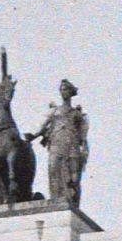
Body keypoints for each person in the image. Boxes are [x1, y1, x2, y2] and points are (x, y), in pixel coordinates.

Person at [31, 79, 90, 207]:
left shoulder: (76, 113)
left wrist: (83, 148)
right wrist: (34, 135)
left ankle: (73, 201)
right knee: (53, 170)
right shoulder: (55, 110)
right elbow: (43, 125)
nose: (63, 92)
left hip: (72, 145)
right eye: (61, 90)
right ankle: (56, 199)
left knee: (74, 177)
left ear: (71, 92)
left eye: (65, 89)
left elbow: (83, 133)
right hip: (56, 144)